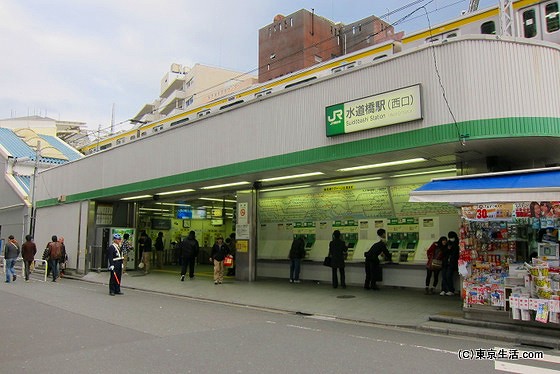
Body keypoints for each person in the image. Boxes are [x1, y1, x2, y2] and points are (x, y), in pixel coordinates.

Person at [441, 231, 459, 296]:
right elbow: (444, 252)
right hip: (446, 262)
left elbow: (456, 254)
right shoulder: (448, 243)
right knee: (444, 276)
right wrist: (448, 249)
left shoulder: (457, 243)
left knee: (448, 276)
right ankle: (444, 289)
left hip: (452, 263)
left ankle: (451, 290)